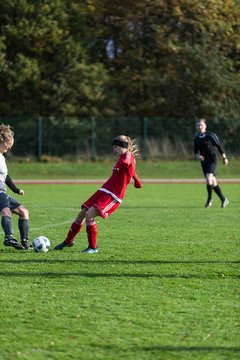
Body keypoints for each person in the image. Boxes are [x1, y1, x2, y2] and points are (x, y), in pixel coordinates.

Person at [54, 135, 142, 253]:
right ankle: (68, 241)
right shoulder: (122, 156)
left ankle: (93, 247)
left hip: (113, 195)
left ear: (123, 147)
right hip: (104, 190)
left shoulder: (128, 156)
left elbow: (128, 161)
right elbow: (132, 170)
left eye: (116, 147)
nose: (113, 149)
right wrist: (137, 181)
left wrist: (127, 158)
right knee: (82, 214)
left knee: (89, 215)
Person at [0, 124, 30, 250]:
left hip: (3, 192)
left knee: (24, 211)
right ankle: (8, 237)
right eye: (8, 144)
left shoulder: (1, 157)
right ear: (1, 141)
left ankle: (25, 242)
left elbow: (5, 176)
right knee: (6, 211)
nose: (9, 148)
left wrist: (16, 190)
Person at [194, 118, 229, 208]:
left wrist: (224, 157)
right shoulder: (197, 138)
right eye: (198, 125)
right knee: (213, 182)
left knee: (209, 179)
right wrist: (199, 156)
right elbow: (195, 151)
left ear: (205, 126)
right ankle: (224, 200)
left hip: (212, 159)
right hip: (204, 162)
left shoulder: (211, 136)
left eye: (201, 125)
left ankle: (209, 200)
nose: (199, 126)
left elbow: (219, 146)